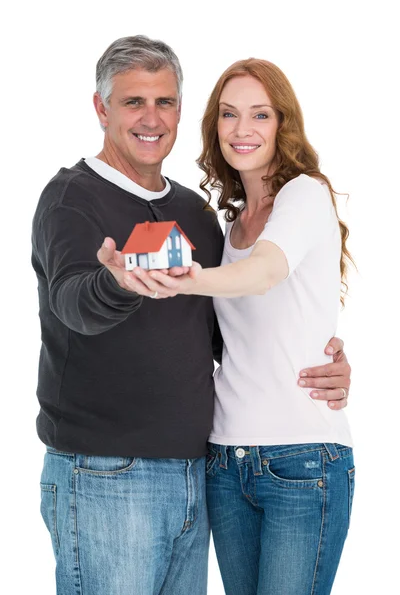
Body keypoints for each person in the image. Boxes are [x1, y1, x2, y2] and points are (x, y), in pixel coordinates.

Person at [32, 36, 351, 595]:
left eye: (166, 102)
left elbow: (224, 333)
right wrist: (117, 281)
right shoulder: (71, 198)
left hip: (200, 473)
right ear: (101, 108)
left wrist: (320, 357)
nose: (152, 118)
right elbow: (72, 300)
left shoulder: (198, 216)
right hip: (107, 475)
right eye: (133, 102)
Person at [139, 58, 355, 595]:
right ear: (214, 125)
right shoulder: (230, 222)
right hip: (224, 459)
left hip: (301, 457)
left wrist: (187, 279)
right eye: (230, 115)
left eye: (261, 114)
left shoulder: (305, 194)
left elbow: (265, 273)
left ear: (283, 124)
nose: (243, 130)